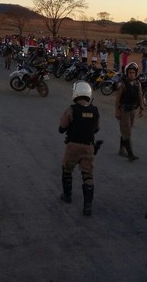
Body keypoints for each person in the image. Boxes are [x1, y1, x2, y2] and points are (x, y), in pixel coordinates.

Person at [58, 81, 100, 216]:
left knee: (67, 170)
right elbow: (96, 129)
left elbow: (61, 128)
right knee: (88, 175)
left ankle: (67, 195)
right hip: (88, 147)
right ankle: (88, 205)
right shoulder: (95, 111)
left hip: (73, 146)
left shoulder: (71, 110)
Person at [115, 62, 144, 161]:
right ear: (126, 73)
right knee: (127, 132)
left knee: (127, 131)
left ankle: (121, 150)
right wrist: (117, 111)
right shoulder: (123, 84)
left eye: (133, 72)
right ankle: (130, 154)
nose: (132, 74)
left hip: (132, 110)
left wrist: (141, 109)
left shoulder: (137, 84)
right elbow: (118, 99)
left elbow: (140, 96)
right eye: (130, 72)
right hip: (124, 110)